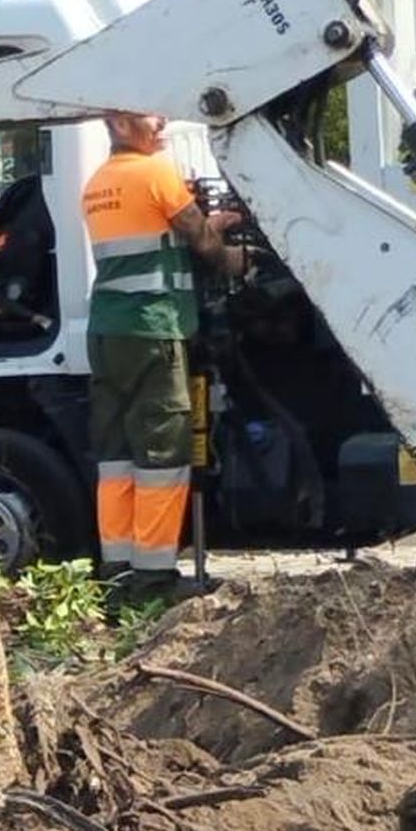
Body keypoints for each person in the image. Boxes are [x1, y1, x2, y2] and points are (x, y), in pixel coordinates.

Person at [81, 111, 244, 606]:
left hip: (107, 333)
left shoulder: (97, 184)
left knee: (117, 458)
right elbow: (203, 243)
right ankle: (154, 581)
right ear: (122, 125)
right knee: (161, 454)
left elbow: (153, 237)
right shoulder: (155, 173)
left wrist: (203, 222)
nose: (163, 123)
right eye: (151, 117)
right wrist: (242, 260)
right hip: (153, 330)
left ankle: (117, 577)